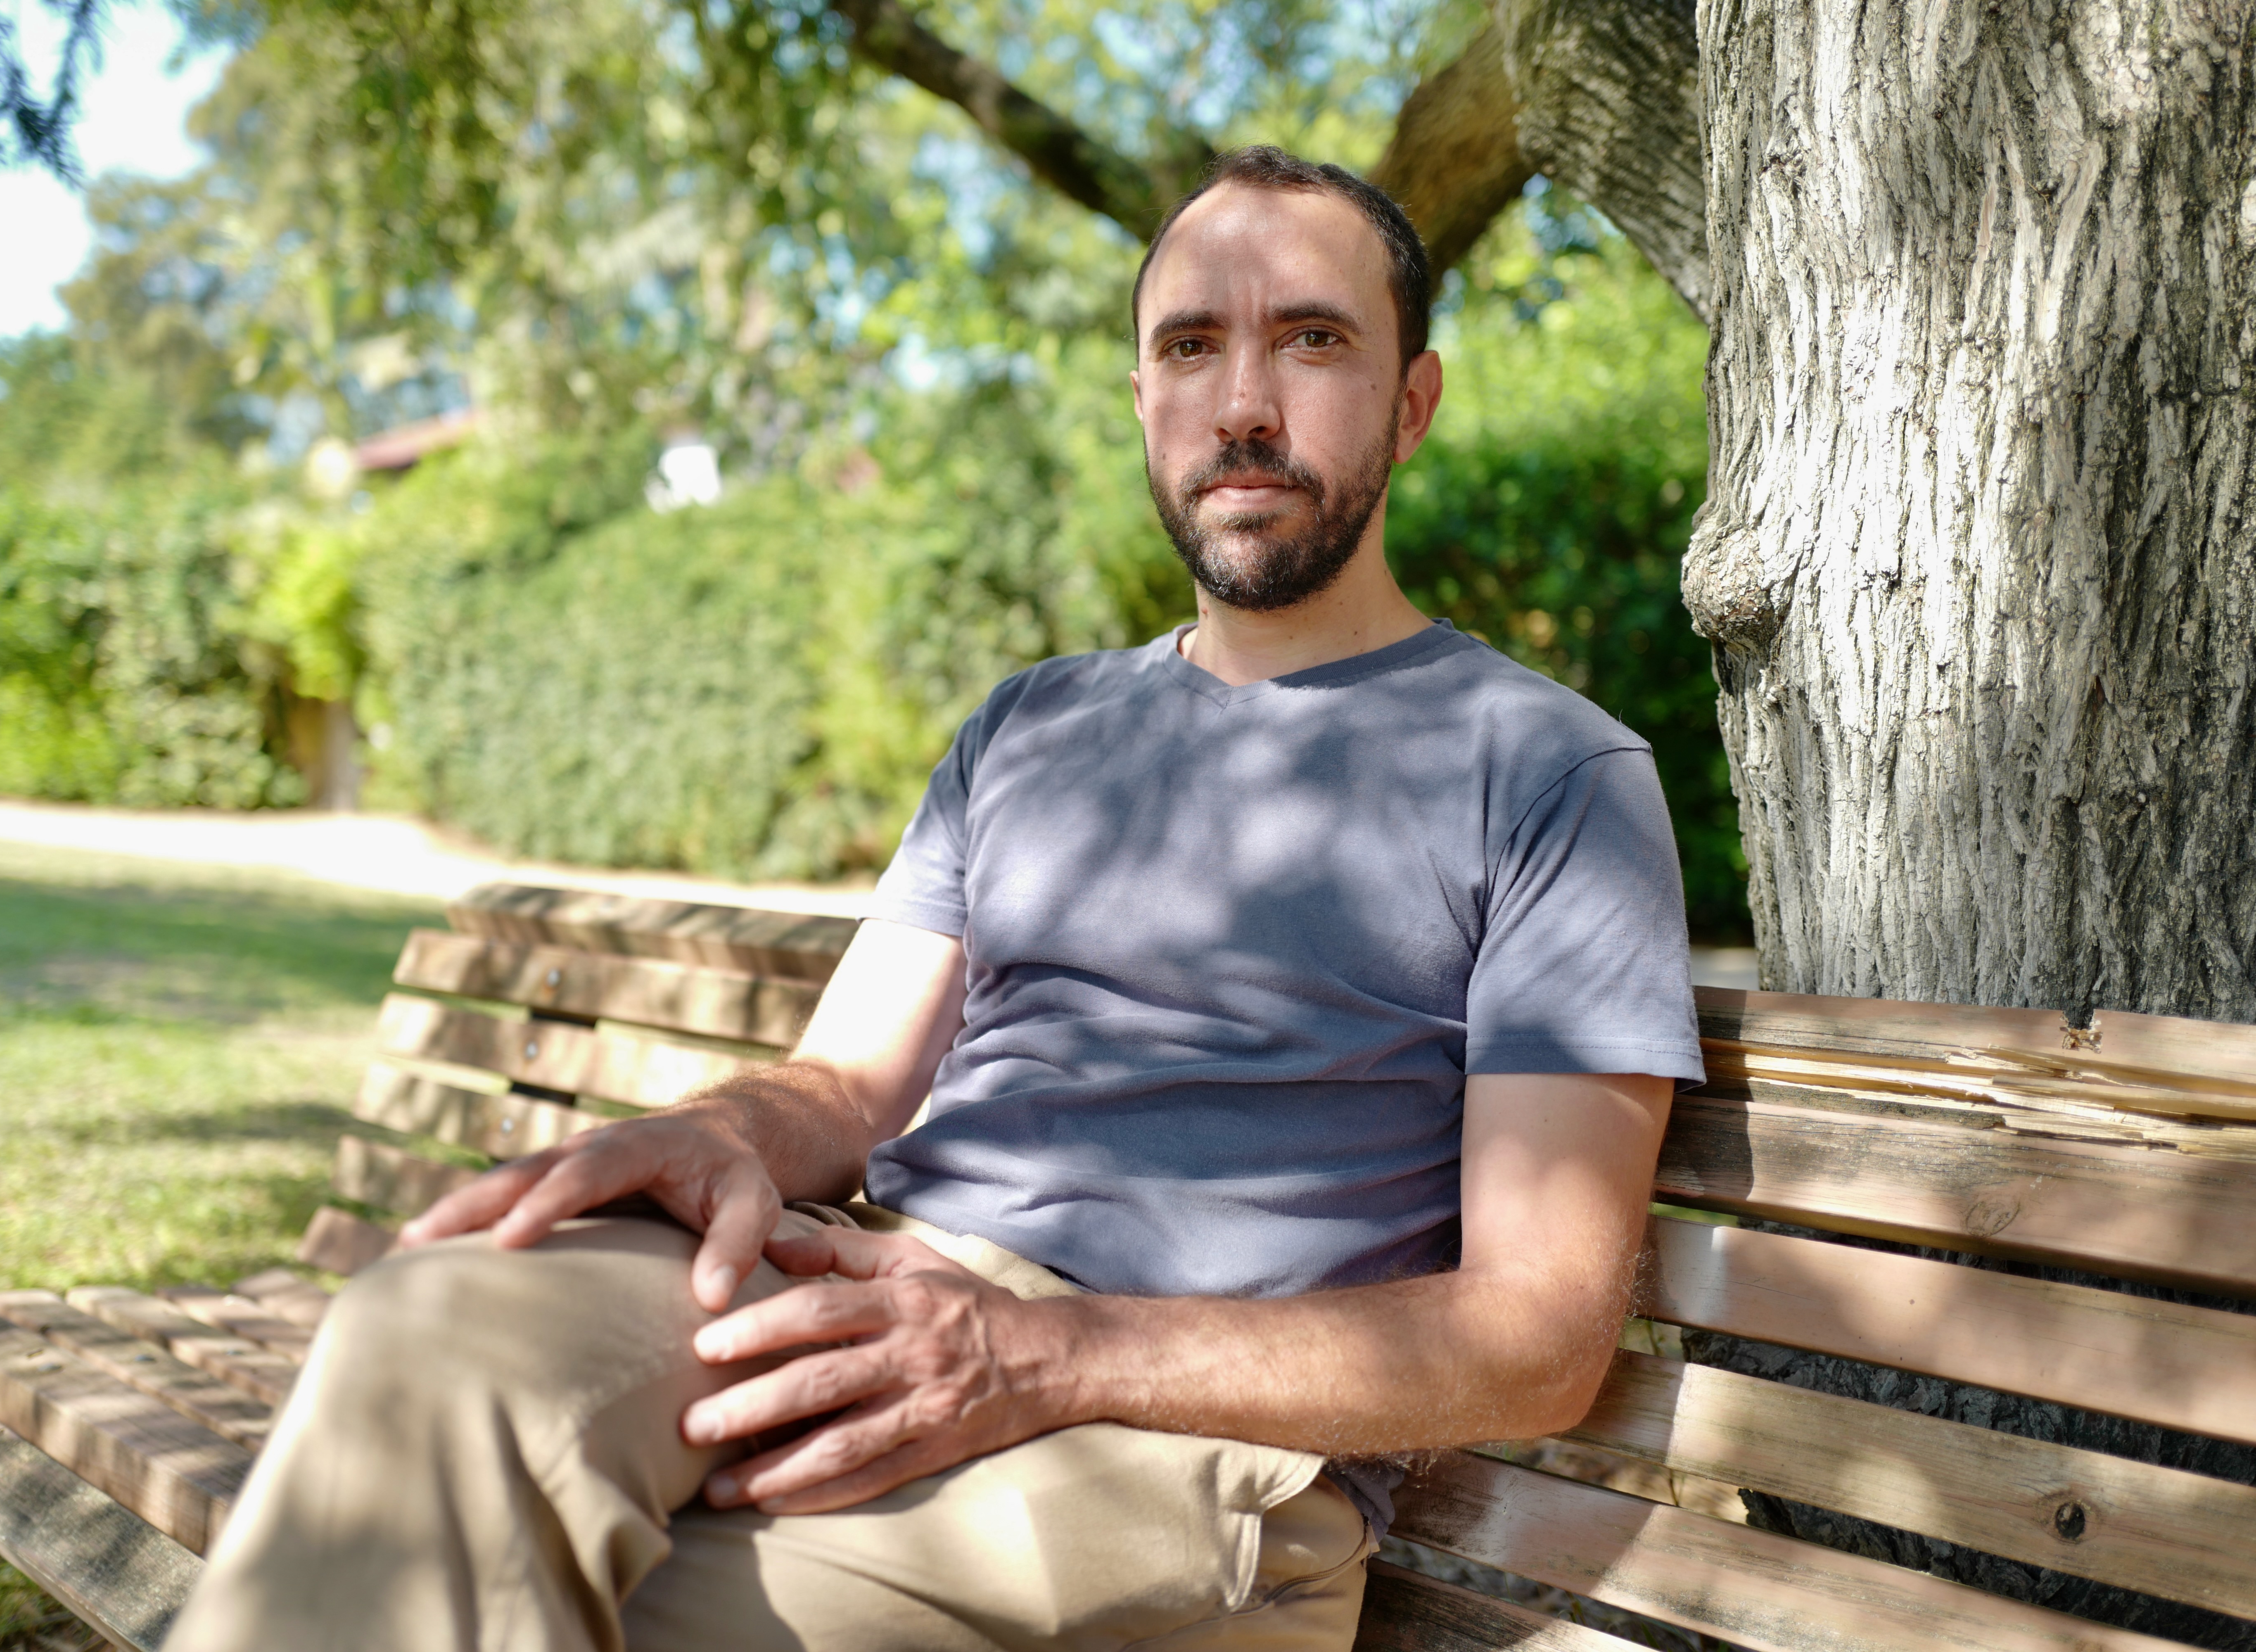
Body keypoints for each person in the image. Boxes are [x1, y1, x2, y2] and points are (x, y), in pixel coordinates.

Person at [164, 145, 1703, 1652]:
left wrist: (1049, 1351)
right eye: (1192, 347)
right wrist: (724, 1132)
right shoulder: (1032, 725)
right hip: (890, 1285)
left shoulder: (1548, 770)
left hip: (1189, 1449)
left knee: (538, 1591)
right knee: (419, 1331)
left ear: (1412, 401)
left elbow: (1538, 1336)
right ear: (1144, 401)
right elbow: (844, 1081)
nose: (1244, 404)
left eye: (1313, 341)